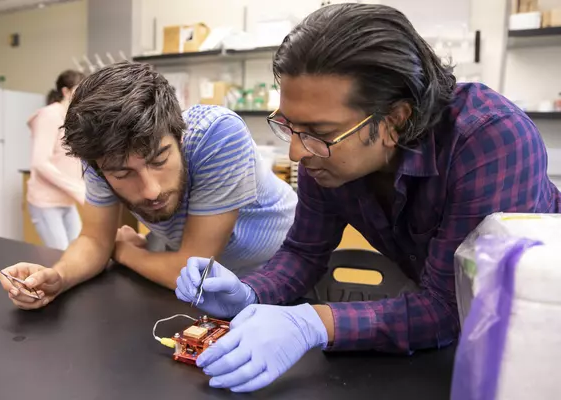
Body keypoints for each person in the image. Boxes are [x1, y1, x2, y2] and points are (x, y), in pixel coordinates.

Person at [174, 3, 561, 393]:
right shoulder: (324, 154)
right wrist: (249, 292)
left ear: (395, 120)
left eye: (317, 131)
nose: (296, 152)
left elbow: (455, 307)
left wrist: (313, 323)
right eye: (289, 127)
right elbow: (303, 253)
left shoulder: (489, 139)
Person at [0, 61, 297, 309]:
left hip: (277, 268)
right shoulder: (101, 154)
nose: (151, 190)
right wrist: (58, 277)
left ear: (179, 135)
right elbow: (94, 240)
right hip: (194, 282)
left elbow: (194, 271)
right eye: (124, 174)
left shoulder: (216, 135)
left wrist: (123, 251)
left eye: (158, 160)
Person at [26, 70, 86, 250]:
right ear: (66, 92)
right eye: (79, 90)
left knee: (78, 253)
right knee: (60, 257)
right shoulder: (49, 115)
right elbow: (39, 163)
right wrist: (77, 189)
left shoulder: (72, 118)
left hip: (67, 201)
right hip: (46, 203)